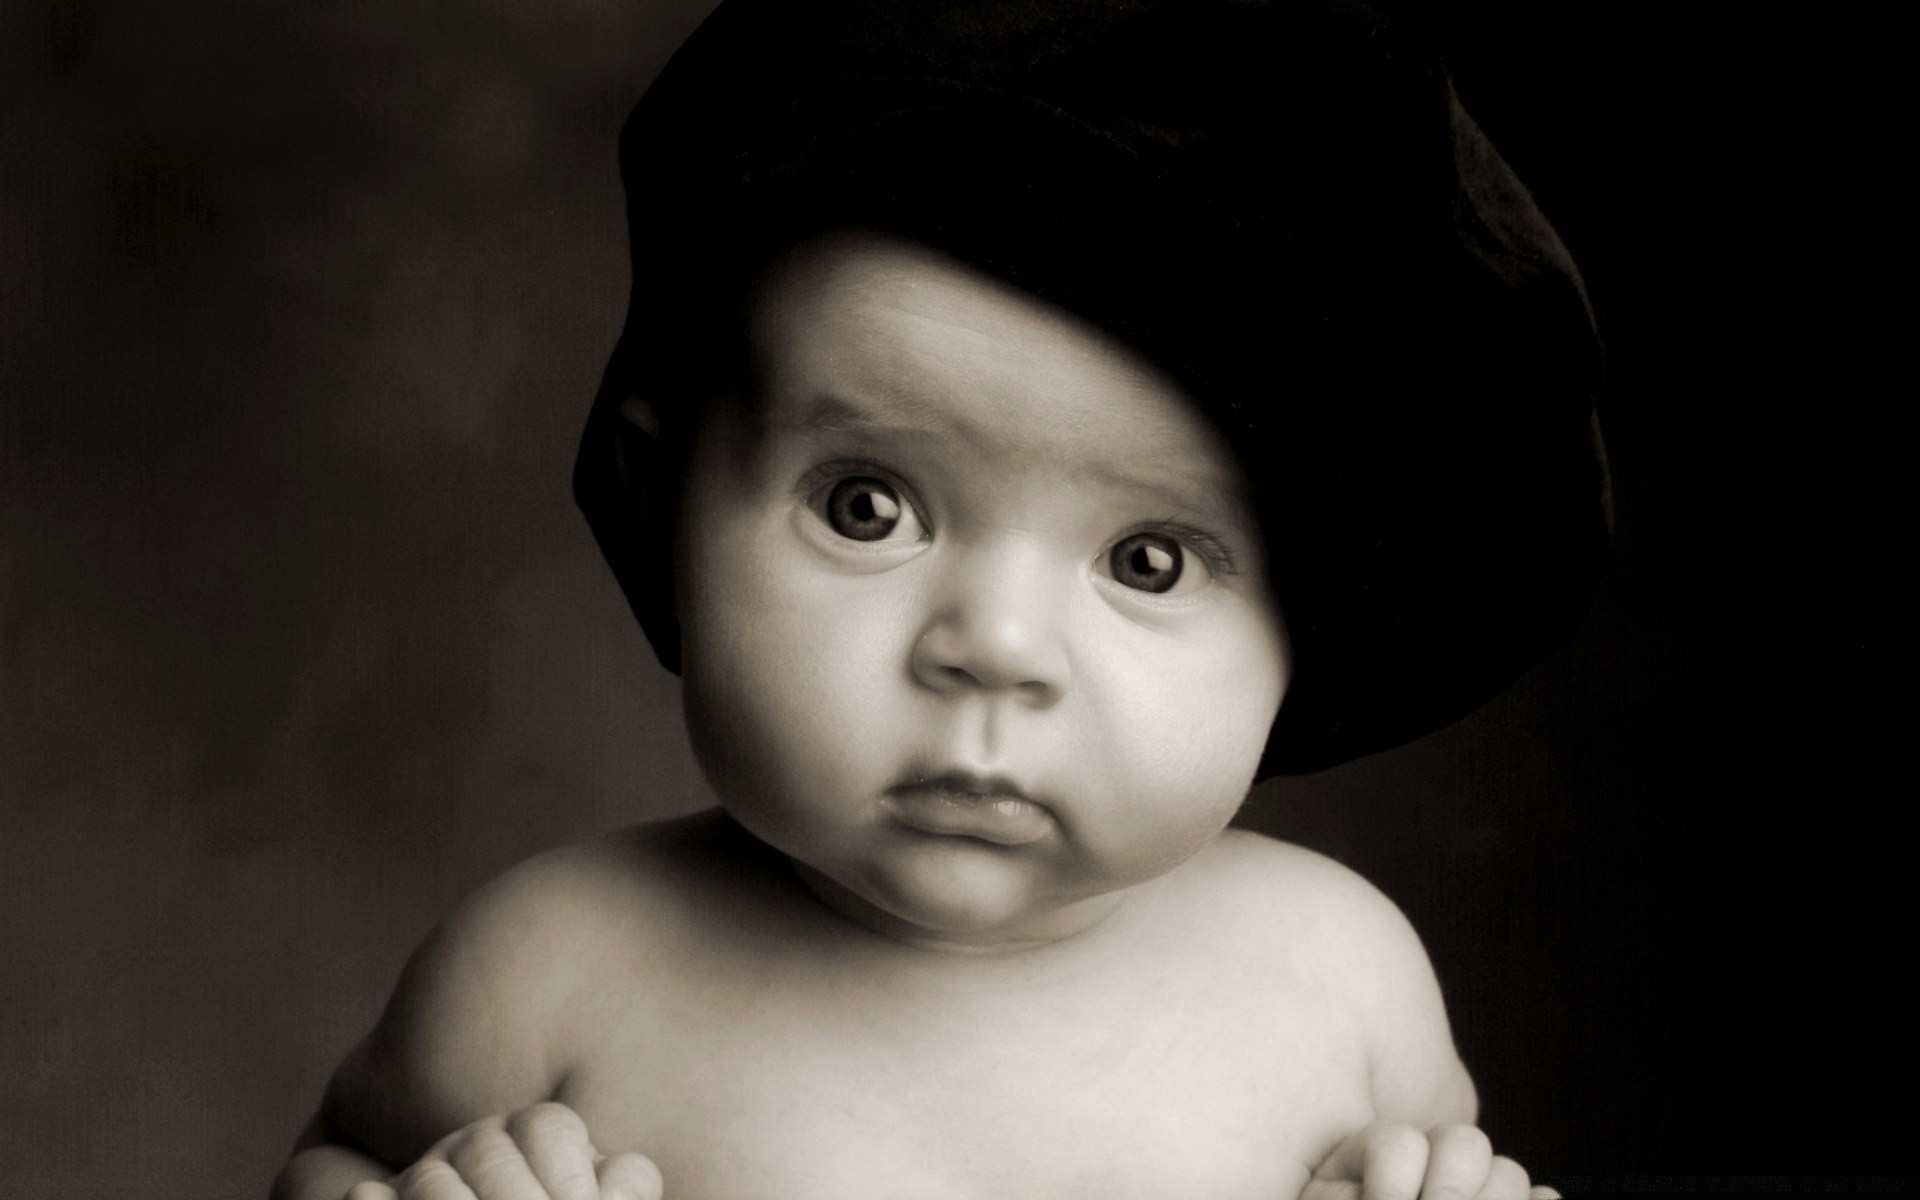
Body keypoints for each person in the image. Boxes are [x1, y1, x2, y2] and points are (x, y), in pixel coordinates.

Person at [273, 1, 1610, 1197]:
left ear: (1309, 626)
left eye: (1148, 560)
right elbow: (331, 1164)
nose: (996, 650)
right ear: (659, 499)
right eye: (869, 507)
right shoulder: (548, 971)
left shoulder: (1341, 980)